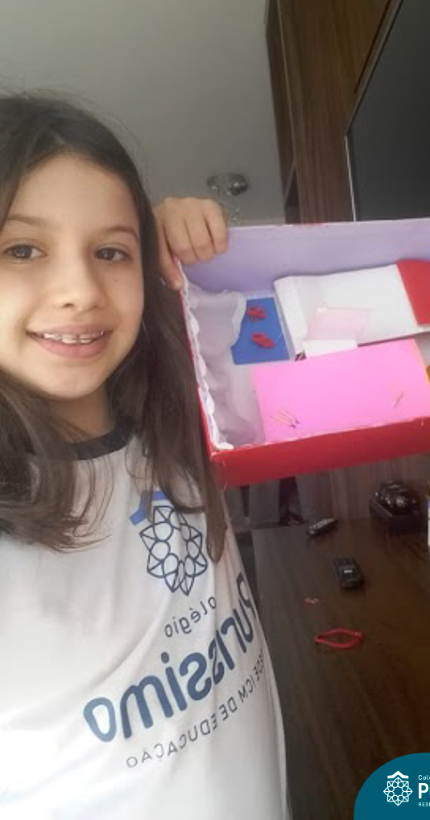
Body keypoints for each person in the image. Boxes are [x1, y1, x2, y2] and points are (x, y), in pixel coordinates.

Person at [0, 93, 287, 819]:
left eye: (110, 252)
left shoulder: (174, 418)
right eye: (22, 249)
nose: (80, 291)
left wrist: (179, 258)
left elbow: (249, 361)